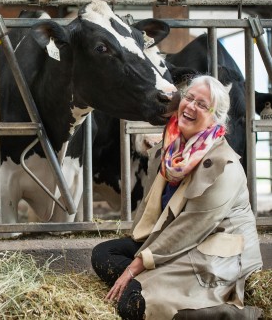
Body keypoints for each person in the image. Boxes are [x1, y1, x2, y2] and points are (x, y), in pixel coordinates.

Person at [91, 75, 263, 320]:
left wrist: (137, 266)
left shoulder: (225, 166)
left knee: (133, 303)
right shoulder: (170, 150)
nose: (191, 106)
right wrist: (141, 260)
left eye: (202, 105)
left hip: (208, 253)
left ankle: (231, 315)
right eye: (189, 98)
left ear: (216, 118)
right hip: (171, 240)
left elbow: (192, 227)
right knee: (103, 254)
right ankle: (153, 283)